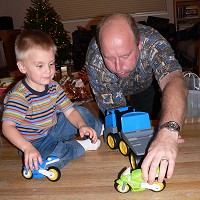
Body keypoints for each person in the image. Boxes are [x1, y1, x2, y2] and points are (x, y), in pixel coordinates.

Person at [85, 13, 188, 184]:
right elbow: (117, 115)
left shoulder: (153, 42)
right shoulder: (95, 58)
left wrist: (168, 131)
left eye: (125, 56)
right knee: (121, 129)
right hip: (112, 90)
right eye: (110, 58)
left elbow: (175, 82)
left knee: (147, 120)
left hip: (145, 86)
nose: (118, 67)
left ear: (139, 44)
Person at [2, 30, 102, 171]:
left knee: (79, 111)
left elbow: (69, 111)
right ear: (23, 67)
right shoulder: (20, 96)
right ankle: (79, 147)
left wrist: (81, 125)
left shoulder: (53, 86)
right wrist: (27, 148)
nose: (48, 71)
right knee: (48, 161)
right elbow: (7, 128)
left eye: (51, 64)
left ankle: (95, 130)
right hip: (34, 143)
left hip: (52, 129)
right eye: (40, 66)